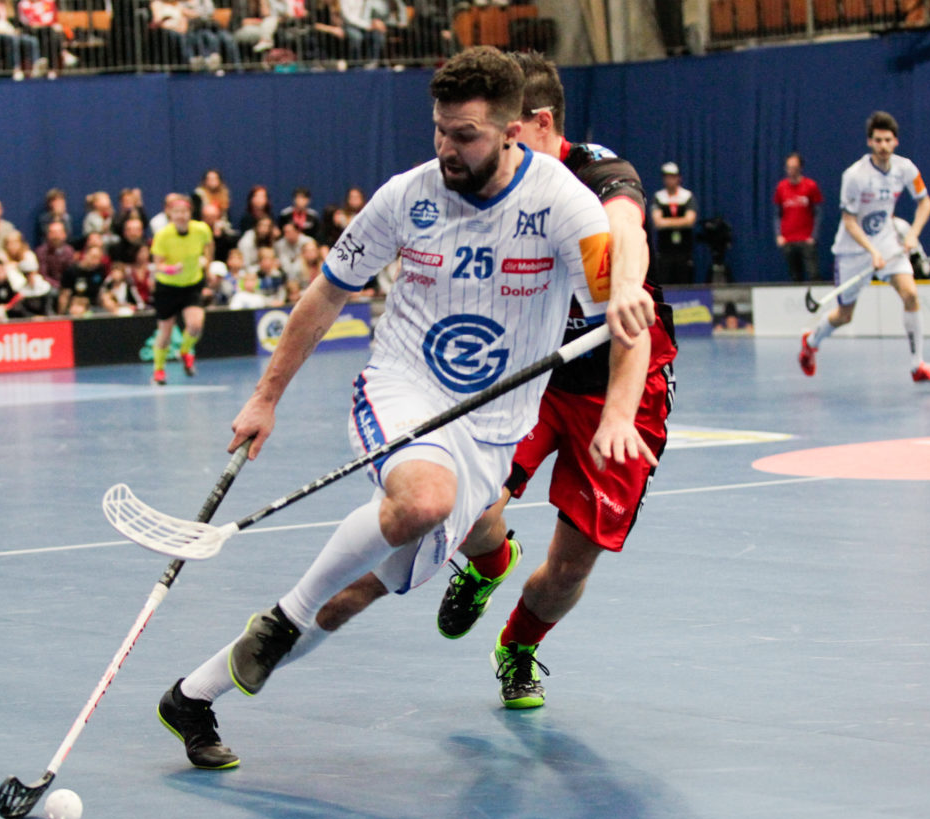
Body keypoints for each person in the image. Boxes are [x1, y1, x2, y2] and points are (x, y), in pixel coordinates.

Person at [153, 46, 650, 770]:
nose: (448, 148)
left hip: (493, 427)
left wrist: (615, 414)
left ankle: (191, 697)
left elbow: (624, 321)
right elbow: (327, 293)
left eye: (467, 135)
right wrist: (265, 398)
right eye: (440, 130)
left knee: (352, 596)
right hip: (404, 385)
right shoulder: (405, 197)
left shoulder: (564, 205)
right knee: (420, 500)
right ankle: (282, 618)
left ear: (513, 129)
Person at [313, 50, 674, 710]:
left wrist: (623, 283)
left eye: (504, 132)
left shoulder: (597, 174)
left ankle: (519, 645)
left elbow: (629, 228)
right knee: (471, 504)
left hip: (614, 385)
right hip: (525, 378)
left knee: (572, 563)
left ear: (535, 122)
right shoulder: (476, 187)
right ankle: (486, 560)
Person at [799, 111, 930, 384]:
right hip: (853, 250)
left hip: (888, 243)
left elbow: (925, 202)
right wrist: (872, 252)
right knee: (845, 316)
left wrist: (913, 234)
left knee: (911, 295)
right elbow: (849, 222)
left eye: (888, 140)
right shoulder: (854, 176)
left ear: (896, 142)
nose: (883, 146)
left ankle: (918, 366)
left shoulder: (906, 169)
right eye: (877, 140)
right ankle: (812, 341)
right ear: (869, 142)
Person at [149, 195, 213, 385]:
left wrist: (207, 264)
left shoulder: (201, 230)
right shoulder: (162, 235)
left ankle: (185, 351)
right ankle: (159, 370)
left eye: (184, 212)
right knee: (165, 333)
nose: (181, 216)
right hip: (167, 288)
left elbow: (209, 246)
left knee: (195, 325)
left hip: (192, 285)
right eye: (176, 212)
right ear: (170, 214)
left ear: (190, 213)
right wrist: (170, 269)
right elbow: (157, 264)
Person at [773, 152, 823, 282]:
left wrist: (813, 236)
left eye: (794, 168)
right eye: (789, 168)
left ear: (800, 168)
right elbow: (777, 214)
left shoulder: (811, 186)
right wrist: (779, 235)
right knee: (795, 276)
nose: (791, 171)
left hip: (806, 239)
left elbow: (818, 213)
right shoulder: (781, 187)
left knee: (813, 274)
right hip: (788, 239)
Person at [650, 162, 697, 285]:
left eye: (673, 176)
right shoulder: (659, 197)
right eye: (667, 177)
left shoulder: (687, 196)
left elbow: (690, 220)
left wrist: (667, 222)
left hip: (684, 250)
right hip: (665, 250)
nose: (670, 180)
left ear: (679, 178)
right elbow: (657, 222)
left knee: (685, 281)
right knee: (664, 281)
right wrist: (681, 221)